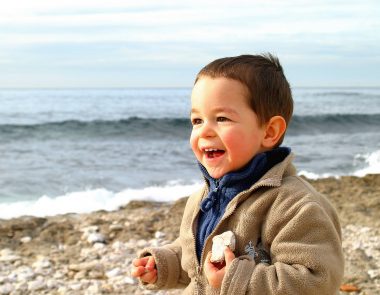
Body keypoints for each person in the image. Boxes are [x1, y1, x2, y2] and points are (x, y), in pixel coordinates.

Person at [131, 54, 344, 294]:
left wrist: (234, 280)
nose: (205, 132)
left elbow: (317, 280)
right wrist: (164, 264)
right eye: (197, 120)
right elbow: (197, 256)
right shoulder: (203, 198)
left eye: (221, 118)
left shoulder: (294, 206)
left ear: (270, 131)